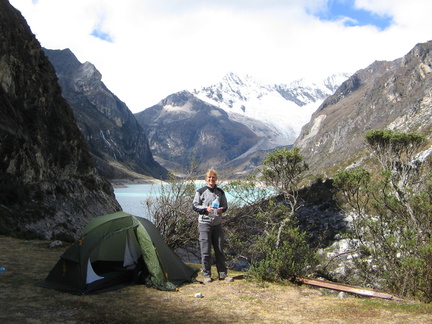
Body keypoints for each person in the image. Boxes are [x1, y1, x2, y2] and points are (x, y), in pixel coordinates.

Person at [192, 169, 233, 283]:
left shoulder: (220, 192)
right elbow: (195, 206)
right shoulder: (200, 191)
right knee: (205, 250)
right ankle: (206, 275)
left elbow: (225, 206)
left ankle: (223, 274)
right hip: (204, 224)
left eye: (213, 177)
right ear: (206, 179)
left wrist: (221, 210)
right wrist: (206, 209)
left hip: (217, 224)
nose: (211, 179)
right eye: (209, 177)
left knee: (219, 249)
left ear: (216, 178)